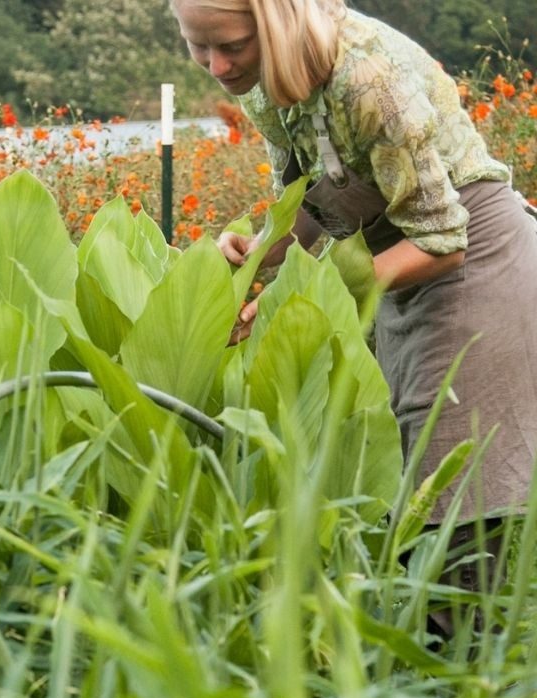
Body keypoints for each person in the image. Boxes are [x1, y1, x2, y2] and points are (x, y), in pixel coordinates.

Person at [172, 0, 537, 630]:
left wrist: (307, 292)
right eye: (197, 46)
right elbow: (323, 196)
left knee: (456, 497)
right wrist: (264, 257)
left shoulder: (368, 79)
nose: (216, 65)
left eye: (231, 44)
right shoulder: (269, 82)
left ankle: (477, 686)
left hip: (473, 261)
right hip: (391, 262)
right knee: (404, 487)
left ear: (275, 26)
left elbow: (444, 237)